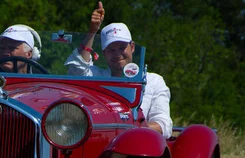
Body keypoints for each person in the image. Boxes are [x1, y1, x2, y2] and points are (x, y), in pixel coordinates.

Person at [65, 2, 173, 139]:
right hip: (99, 142)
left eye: (122, 47)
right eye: (111, 49)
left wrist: (131, 128)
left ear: (132, 47)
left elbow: (164, 125)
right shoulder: (97, 77)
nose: (117, 54)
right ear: (104, 53)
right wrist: (92, 32)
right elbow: (77, 70)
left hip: (138, 146)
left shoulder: (153, 81)